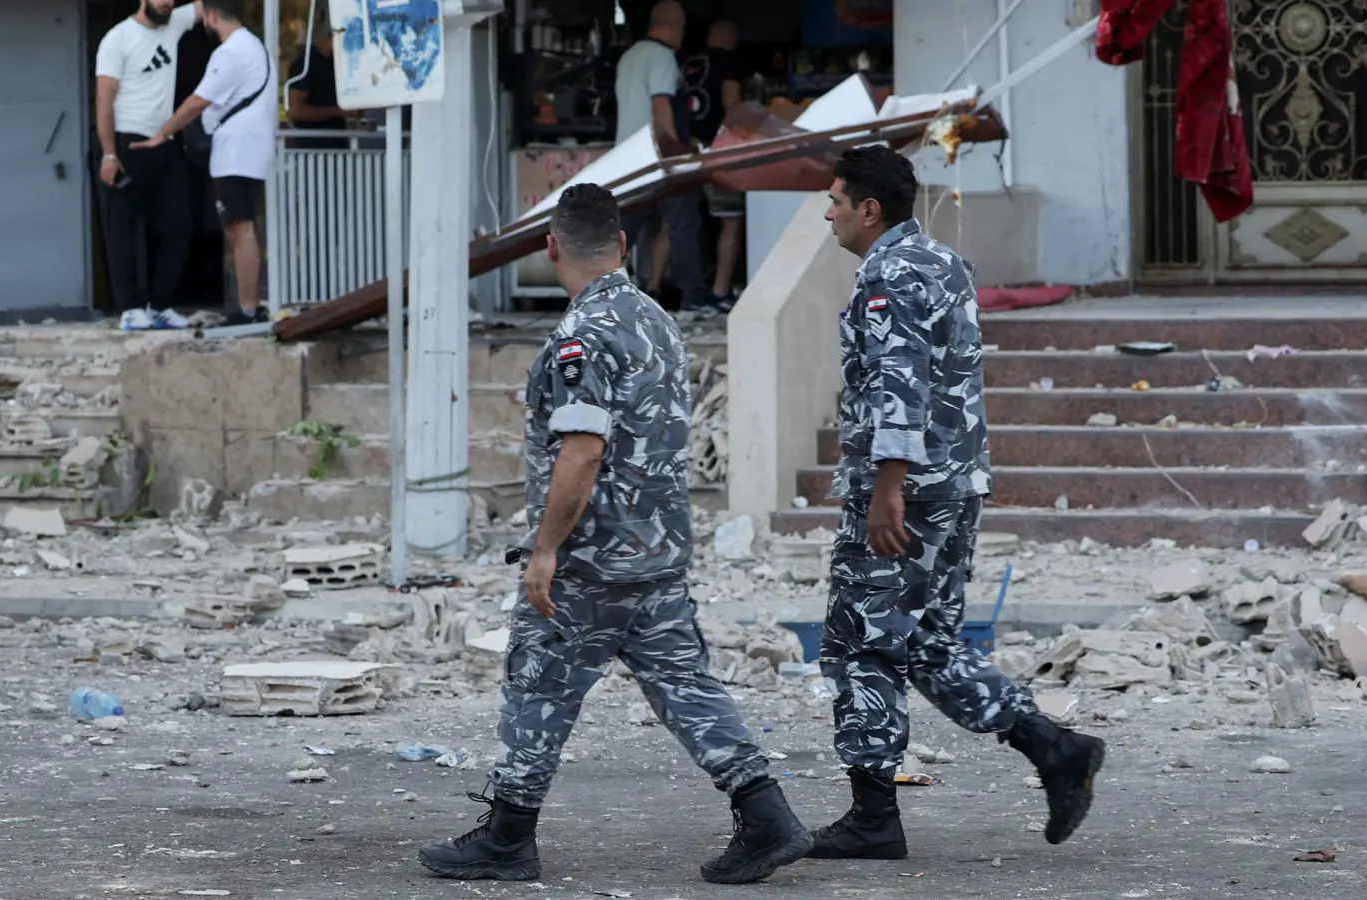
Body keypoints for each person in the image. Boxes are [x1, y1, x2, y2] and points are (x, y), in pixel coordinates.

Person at [416, 184, 812, 886]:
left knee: (537, 685)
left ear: (551, 248)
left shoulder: (580, 335)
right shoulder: (656, 319)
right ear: (623, 246)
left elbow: (581, 452)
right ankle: (766, 814)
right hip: (656, 550)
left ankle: (509, 835)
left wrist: (544, 550)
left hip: (590, 560)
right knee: (686, 687)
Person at [810, 146, 1107, 861]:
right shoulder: (943, 262)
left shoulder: (887, 275)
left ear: (868, 210)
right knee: (927, 644)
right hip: (957, 482)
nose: (828, 212)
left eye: (835, 199)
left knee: (860, 642)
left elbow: (899, 384)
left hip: (907, 489)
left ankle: (873, 817)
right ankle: (1053, 748)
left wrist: (885, 489)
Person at [134, 0, 276, 326]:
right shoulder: (256, 47)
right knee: (238, 228)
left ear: (211, 17)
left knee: (240, 229)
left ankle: (247, 310)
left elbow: (198, 101)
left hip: (237, 153)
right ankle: (248, 307)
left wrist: (161, 134)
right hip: (248, 150)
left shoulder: (230, 53)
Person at [94, 0, 202, 320]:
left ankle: (161, 305)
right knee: (124, 230)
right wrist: (109, 153)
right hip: (128, 142)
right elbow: (104, 100)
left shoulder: (175, 22)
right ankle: (131, 308)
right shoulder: (119, 38)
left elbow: (203, 6)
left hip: (165, 144)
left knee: (178, 226)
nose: (166, 2)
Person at [613, 0, 711, 313]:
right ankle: (692, 297)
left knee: (624, 231)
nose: (682, 36)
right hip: (657, 157)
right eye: (681, 29)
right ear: (670, 26)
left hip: (628, 158)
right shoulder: (663, 57)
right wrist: (674, 155)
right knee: (683, 223)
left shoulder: (629, 57)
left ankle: (603, 293)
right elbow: (660, 106)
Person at [681, 19, 745, 308]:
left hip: (685, 149)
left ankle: (657, 287)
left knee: (678, 222)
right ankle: (720, 292)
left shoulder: (685, 61)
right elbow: (731, 107)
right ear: (731, 38)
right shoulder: (729, 62)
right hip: (716, 149)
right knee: (730, 220)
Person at [286, 14, 351, 150]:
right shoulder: (305, 64)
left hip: (339, 149)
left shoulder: (338, 64)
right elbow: (295, 111)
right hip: (312, 151)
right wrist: (338, 112)